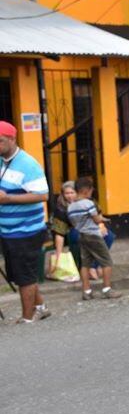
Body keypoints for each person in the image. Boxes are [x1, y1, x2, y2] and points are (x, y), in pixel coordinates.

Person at [0, 120, 51, 323]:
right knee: (20, 274)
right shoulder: (2, 161)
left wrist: (8, 199)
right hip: (8, 230)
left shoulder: (28, 164)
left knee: (25, 276)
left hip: (26, 231)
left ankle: (27, 318)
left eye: (0, 141)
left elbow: (43, 195)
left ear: (12, 139)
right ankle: (41, 308)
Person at [67, 177, 122, 300]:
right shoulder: (88, 203)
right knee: (107, 262)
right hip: (93, 235)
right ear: (86, 190)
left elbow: (74, 222)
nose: (92, 192)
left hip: (81, 235)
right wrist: (103, 219)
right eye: (91, 190)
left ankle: (86, 291)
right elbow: (96, 220)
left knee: (85, 264)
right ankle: (107, 289)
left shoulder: (71, 207)